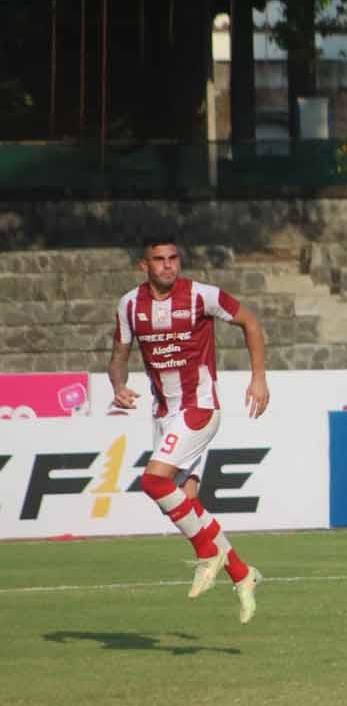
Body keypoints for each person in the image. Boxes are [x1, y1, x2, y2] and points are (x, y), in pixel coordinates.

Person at [108, 235, 269, 624]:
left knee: (152, 482)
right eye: (158, 259)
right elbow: (118, 358)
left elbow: (250, 322)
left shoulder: (201, 296)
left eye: (173, 258)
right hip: (165, 415)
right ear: (143, 266)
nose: (168, 265)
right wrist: (117, 386)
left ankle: (206, 553)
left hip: (200, 407)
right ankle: (242, 574)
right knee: (187, 504)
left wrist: (258, 378)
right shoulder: (129, 305)